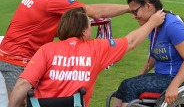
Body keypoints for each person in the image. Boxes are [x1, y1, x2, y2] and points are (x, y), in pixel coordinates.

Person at [0, 0, 129, 96]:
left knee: (39, 99)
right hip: (16, 58)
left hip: (20, 55)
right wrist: (130, 8)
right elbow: (94, 11)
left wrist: (83, 25)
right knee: (25, 102)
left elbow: (48, 28)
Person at [8, 7, 166, 107]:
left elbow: (23, 84)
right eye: (90, 26)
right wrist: (152, 22)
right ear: (84, 31)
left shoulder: (46, 49)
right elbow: (130, 42)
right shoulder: (97, 48)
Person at [112, 0, 184, 107]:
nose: (133, 16)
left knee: (131, 86)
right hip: (161, 77)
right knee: (125, 84)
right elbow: (154, 54)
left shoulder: (172, 25)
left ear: (148, 6)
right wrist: (141, 73)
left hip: (174, 79)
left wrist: (174, 86)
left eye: (135, 11)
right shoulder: (154, 23)